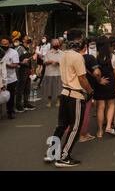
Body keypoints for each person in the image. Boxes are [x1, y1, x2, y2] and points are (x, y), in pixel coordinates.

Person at [44, 29, 94, 168]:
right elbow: (82, 78)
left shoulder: (64, 55)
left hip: (65, 92)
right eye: (82, 39)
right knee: (75, 128)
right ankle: (64, 157)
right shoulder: (77, 57)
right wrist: (90, 91)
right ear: (79, 40)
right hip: (75, 95)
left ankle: (51, 153)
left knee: (61, 125)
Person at [79, 39, 109, 143]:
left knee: (75, 112)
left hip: (71, 88)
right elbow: (96, 72)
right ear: (85, 47)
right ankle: (83, 134)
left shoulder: (69, 57)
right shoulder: (89, 58)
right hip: (87, 87)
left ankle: (73, 132)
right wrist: (99, 80)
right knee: (85, 112)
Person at [94, 36, 115, 138]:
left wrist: (99, 80)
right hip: (111, 82)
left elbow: (91, 71)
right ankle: (109, 126)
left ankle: (100, 131)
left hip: (99, 83)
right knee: (111, 104)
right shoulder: (113, 55)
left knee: (100, 107)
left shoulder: (94, 56)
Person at [15, 35, 36, 112]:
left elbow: (30, 59)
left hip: (27, 69)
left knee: (27, 87)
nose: (29, 39)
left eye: (29, 38)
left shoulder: (27, 48)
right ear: (23, 40)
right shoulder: (19, 48)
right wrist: (21, 62)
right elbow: (15, 60)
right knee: (20, 88)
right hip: (21, 69)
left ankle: (26, 103)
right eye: (27, 38)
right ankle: (18, 105)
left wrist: (31, 68)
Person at [1, 36, 19, 119]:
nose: (4, 45)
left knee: (10, 97)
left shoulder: (14, 52)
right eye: (2, 44)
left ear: (10, 44)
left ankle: (10, 112)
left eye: (6, 44)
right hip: (1, 80)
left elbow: (15, 65)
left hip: (11, 79)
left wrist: (5, 64)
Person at [42, 39, 63, 108]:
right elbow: (44, 62)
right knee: (49, 88)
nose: (56, 45)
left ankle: (58, 101)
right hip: (49, 73)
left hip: (58, 72)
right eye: (55, 44)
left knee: (59, 88)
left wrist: (58, 62)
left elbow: (64, 62)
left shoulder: (62, 53)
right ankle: (49, 102)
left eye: (57, 43)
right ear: (52, 44)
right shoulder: (48, 53)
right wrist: (50, 61)